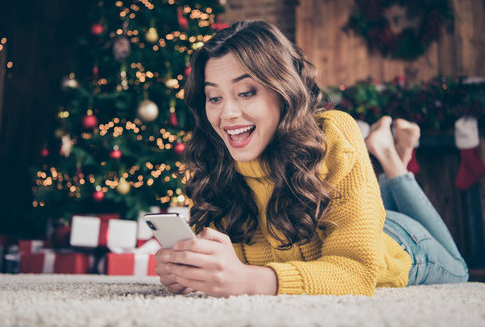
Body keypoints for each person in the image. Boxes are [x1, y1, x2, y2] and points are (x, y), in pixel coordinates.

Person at [154, 20, 468, 297]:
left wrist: (248, 280)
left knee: (460, 269)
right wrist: (190, 268)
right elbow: (226, 263)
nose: (227, 113)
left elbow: (357, 270)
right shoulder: (217, 158)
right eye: (214, 97)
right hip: (350, 217)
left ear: (282, 90)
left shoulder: (333, 132)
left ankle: (392, 159)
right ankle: (392, 156)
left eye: (246, 92)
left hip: (401, 243)